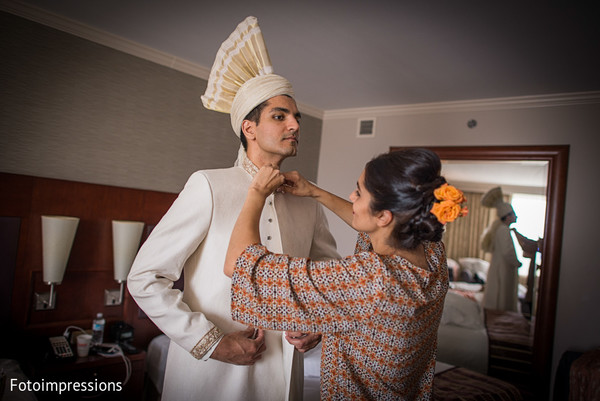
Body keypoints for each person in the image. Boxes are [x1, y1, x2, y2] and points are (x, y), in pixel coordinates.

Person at [127, 16, 339, 401]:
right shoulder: (208, 185)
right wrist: (211, 342)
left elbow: (324, 279)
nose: (294, 124)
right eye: (280, 116)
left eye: (296, 117)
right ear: (249, 128)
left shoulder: (306, 198)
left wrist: (317, 322)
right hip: (210, 375)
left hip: (285, 375)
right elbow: (145, 277)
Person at [224, 148, 468, 400]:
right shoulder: (429, 250)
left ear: (384, 216)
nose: (351, 196)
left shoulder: (370, 280)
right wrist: (314, 192)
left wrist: (256, 193)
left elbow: (240, 265)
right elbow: (369, 225)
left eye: (359, 193)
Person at [480, 186, 521, 312]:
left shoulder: (503, 229)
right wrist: (517, 262)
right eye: (513, 214)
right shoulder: (503, 230)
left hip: (501, 266)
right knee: (500, 293)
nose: (516, 216)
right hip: (502, 268)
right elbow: (507, 251)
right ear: (507, 216)